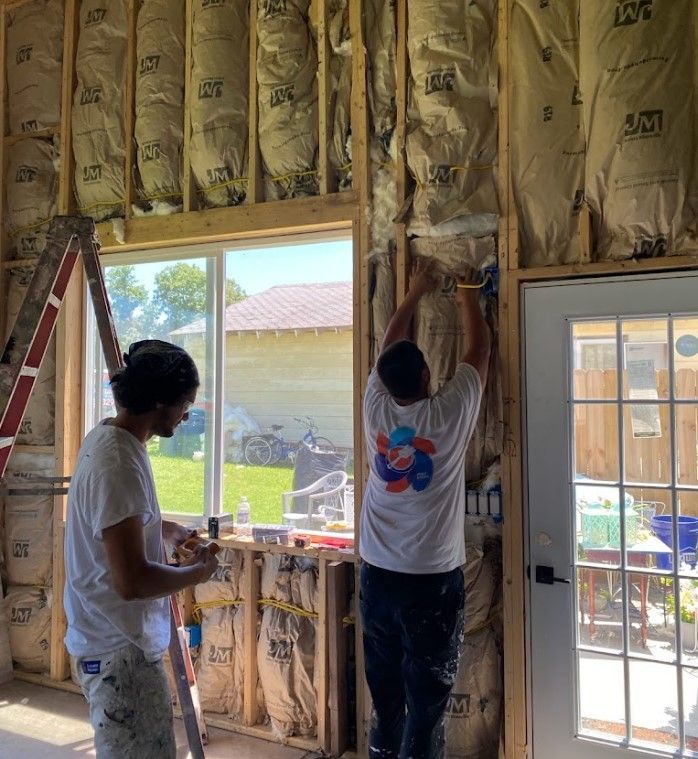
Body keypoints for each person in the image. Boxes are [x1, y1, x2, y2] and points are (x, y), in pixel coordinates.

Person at [359, 260, 491, 759]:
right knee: (427, 700)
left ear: (385, 380)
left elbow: (389, 345)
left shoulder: (375, 404)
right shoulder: (447, 414)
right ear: (427, 373)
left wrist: (413, 293)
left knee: (387, 695)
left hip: (376, 573)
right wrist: (470, 296)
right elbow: (478, 353)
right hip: (430, 581)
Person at [64, 339, 219, 758]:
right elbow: (132, 581)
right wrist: (198, 573)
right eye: (184, 403)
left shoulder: (112, 439)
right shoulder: (118, 465)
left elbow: (113, 524)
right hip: (121, 652)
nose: (187, 414)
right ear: (158, 401)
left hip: (109, 641)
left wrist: (163, 530)